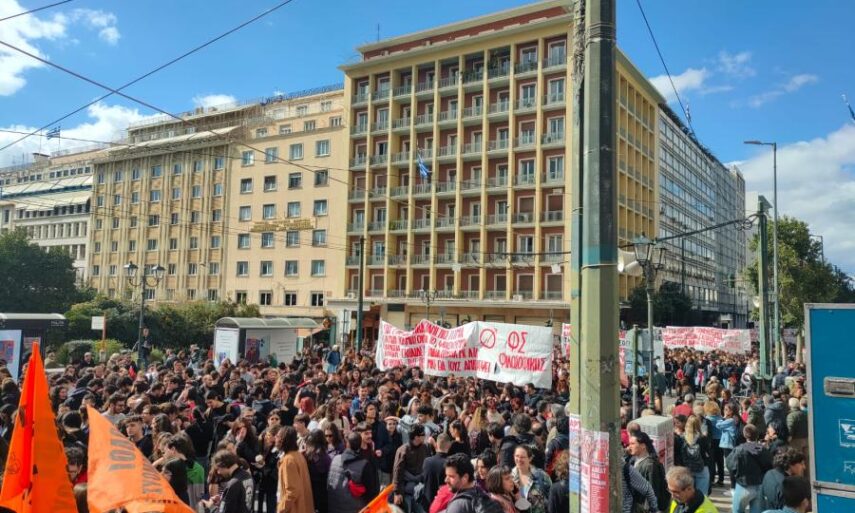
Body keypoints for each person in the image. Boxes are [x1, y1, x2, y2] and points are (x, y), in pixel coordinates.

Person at [327, 432, 380, 513]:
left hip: (334, 506)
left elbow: (329, 482)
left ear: (347, 444)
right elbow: (371, 493)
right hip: (355, 508)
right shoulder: (364, 465)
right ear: (360, 444)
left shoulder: (335, 459)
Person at [726, 424, 772, 513]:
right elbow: (770, 465)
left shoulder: (739, 449)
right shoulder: (763, 450)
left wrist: (737, 475)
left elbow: (730, 464)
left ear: (744, 435)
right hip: (758, 485)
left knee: (737, 511)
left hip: (743, 484)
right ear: (757, 435)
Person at [629, 431, 669, 513]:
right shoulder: (634, 460)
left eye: (632, 444)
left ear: (643, 446)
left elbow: (653, 491)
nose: (629, 447)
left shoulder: (650, 465)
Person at [393, 424, 430, 513]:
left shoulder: (425, 448)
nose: (425, 436)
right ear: (416, 437)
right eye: (423, 435)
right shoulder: (403, 450)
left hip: (420, 490)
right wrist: (397, 493)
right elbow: (397, 472)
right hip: (405, 490)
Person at [278, 426, 314, 513]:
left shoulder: (288, 460)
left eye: (278, 436)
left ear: (283, 440)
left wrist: (281, 509)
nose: (275, 438)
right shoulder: (298, 455)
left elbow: (292, 491)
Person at [511, 445, 551, 513]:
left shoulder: (541, 476)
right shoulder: (510, 477)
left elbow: (551, 499)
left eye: (522, 457)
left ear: (530, 458)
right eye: (517, 456)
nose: (519, 459)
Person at [423, 433, 452, 508]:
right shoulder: (450, 464)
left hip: (428, 503)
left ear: (436, 444)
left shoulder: (427, 461)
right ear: (449, 445)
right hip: (443, 504)